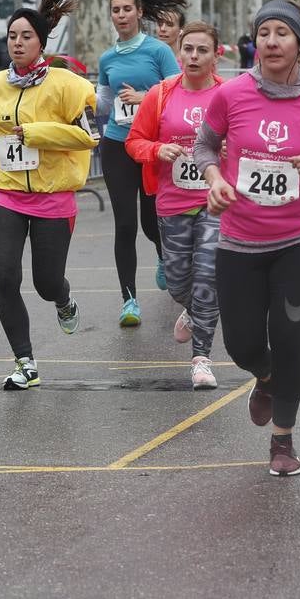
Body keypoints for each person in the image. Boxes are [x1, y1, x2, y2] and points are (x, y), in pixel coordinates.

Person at [194, 0, 300, 477]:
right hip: (239, 241)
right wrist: (214, 179)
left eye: (281, 33)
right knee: (242, 345)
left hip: (299, 242)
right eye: (263, 33)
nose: (270, 41)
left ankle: (282, 441)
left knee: (290, 339)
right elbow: (204, 145)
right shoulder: (232, 94)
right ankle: (263, 378)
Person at [0, 0, 97, 390]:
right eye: (11, 35)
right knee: (5, 277)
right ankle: (25, 362)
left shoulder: (69, 85)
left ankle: (63, 299)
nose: (17, 43)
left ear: (42, 43)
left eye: (25, 36)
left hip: (54, 197)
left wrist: (33, 133)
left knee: (45, 282)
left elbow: (86, 135)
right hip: (6, 193)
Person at [125, 21, 225, 389]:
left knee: (209, 275)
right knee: (179, 282)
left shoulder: (228, 95)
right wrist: (157, 149)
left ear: (216, 55)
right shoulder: (161, 94)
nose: (194, 56)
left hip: (215, 200)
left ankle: (202, 359)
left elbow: (247, 143)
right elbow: (134, 142)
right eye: (188, 50)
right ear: (179, 53)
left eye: (202, 50)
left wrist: (229, 152)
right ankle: (191, 308)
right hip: (172, 202)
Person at [97, 0, 184, 326]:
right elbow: (104, 102)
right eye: (115, 10)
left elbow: (177, 93)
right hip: (117, 143)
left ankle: (164, 254)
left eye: (126, 9)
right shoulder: (107, 58)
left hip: (150, 145)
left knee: (151, 221)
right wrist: (91, 121)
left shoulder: (158, 51)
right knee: (125, 224)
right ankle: (129, 300)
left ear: (139, 14)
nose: (121, 16)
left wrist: (145, 97)